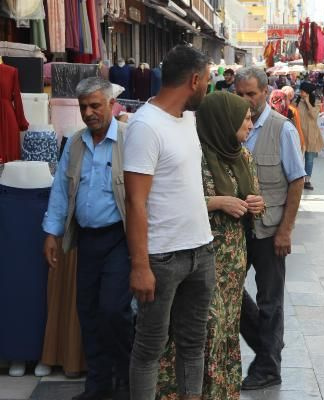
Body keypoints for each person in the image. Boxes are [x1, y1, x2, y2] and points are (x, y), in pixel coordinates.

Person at [156, 91, 265, 400]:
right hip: (200, 254)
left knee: (225, 328)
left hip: (233, 258)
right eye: (243, 119)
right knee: (203, 327)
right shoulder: (195, 155)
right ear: (223, 122)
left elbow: (253, 194)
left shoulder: (241, 154)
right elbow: (173, 201)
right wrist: (218, 202)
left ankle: (219, 393)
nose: (250, 123)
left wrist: (257, 203)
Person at [124, 45, 216, 400]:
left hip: (200, 250)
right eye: (207, 80)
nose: (208, 87)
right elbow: (135, 201)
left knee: (194, 344)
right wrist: (139, 265)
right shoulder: (145, 126)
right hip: (161, 259)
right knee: (150, 348)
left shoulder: (188, 119)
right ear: (194, 80)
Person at [42, 77, 132, 400]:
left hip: (120, 239)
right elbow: (61, 191)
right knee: (89, 311)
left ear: (111, 104)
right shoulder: (76, 143)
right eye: (84, 107)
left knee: (113, 310)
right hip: (87, 241)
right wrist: (52, 232)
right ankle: (98, 384)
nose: (89, 112)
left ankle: (126, 378)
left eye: (95, 105)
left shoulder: (127, 139)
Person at [235, 66, 305, 390]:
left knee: (270, 300)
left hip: (269, 229)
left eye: (251, 94)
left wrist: (286, 231)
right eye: (241, 94)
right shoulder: (232, 126)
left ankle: (268, 367)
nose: (246, 100)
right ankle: (267, 350)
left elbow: (296, 181)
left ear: (265, 92)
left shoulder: (282, 129)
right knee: (230, 293)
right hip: (237, 227)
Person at [296, 82, 324, 190]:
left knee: (309, 159)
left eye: (302, 91)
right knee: (298, 158)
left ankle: (307, 181)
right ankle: (297, 179)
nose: (300, 93)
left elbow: (314, 115)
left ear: (307, 92)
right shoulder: (297, 102)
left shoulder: (316, 102)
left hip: (311, 134)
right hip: (299, 134)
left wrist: (308, 102)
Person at [280, 86, 306, 152]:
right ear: (291, 96)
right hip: (289, 140)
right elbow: (298, 127)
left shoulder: (275, 108)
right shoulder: (293, 109)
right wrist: (302, 142)